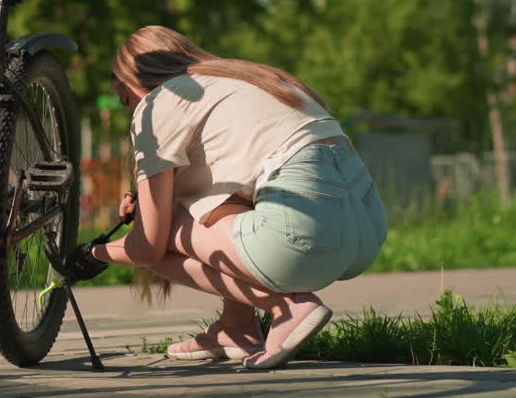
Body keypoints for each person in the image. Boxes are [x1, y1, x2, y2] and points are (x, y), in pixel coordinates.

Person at [63, 25, 387, 370]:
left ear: (131, 81)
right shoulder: (252, 79)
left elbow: (150, 244)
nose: (131, 112)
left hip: (305, 235)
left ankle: (286, 306)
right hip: (368, 228)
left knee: (155, 240)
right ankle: (236, 328)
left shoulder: (159, 103)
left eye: (126, 99)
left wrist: (94, 253)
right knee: (196, 213)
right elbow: (219, 199)